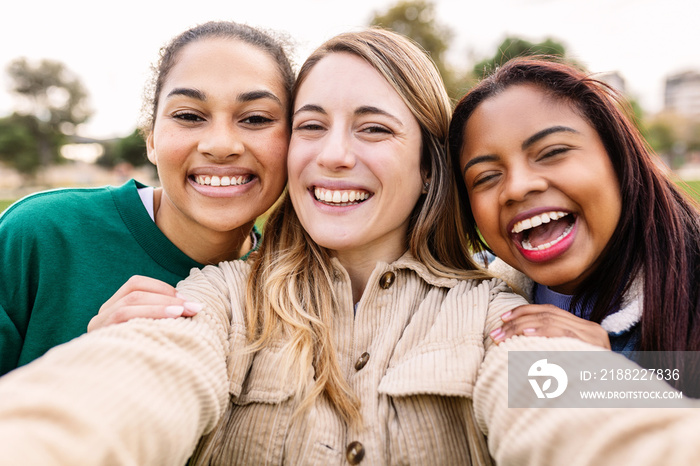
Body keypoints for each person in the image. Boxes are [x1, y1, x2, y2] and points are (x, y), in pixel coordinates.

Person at [0, 30, 695, 466]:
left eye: (373, 129)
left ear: (429, 164)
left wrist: (606, 376)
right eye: (311, 126)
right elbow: (124, 387)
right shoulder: (216, 298)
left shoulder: (503, 311)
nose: (334, 156)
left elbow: (595, 423)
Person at [0, 21, 294, 375]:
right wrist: (81, 369)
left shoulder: (291, 286)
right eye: (188, 116)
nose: (220, 145)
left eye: (256, 118)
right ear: (150, 139)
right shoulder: (39, 234)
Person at [448, 57, 700, 396]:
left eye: (552, 152)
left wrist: (612, 373)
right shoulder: (465, 299)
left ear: (618, 157)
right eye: (487, 177)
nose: (518, 187)